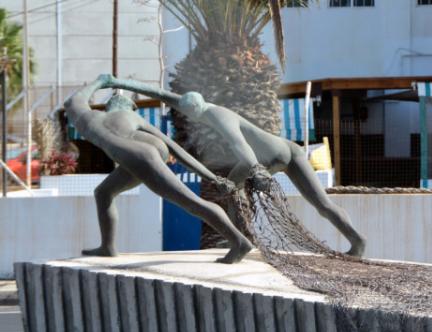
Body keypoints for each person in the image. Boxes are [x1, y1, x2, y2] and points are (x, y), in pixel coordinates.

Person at [104, 75, 366, 257]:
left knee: (230, 189)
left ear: (194, 111)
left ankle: (241, 240)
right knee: (321, 204)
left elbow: (240, 145)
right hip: (289, 150)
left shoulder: (217, 116)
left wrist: (256, 170)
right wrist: (119, 82)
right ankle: (357, 241)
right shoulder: (204, 106)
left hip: (267, 158)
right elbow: (166, 96)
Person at [64, 74, 252, 263]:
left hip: (136, 156)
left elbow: (73, 100)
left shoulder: (89, 118)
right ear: (129, 107)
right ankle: (108, 246)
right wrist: (212, 177)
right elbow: (174, 149)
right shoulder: (131, 117)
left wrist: (99, 82)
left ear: (109, 106)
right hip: (139, 155)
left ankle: (239, 242)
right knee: (103, 192)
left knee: (191, 202)